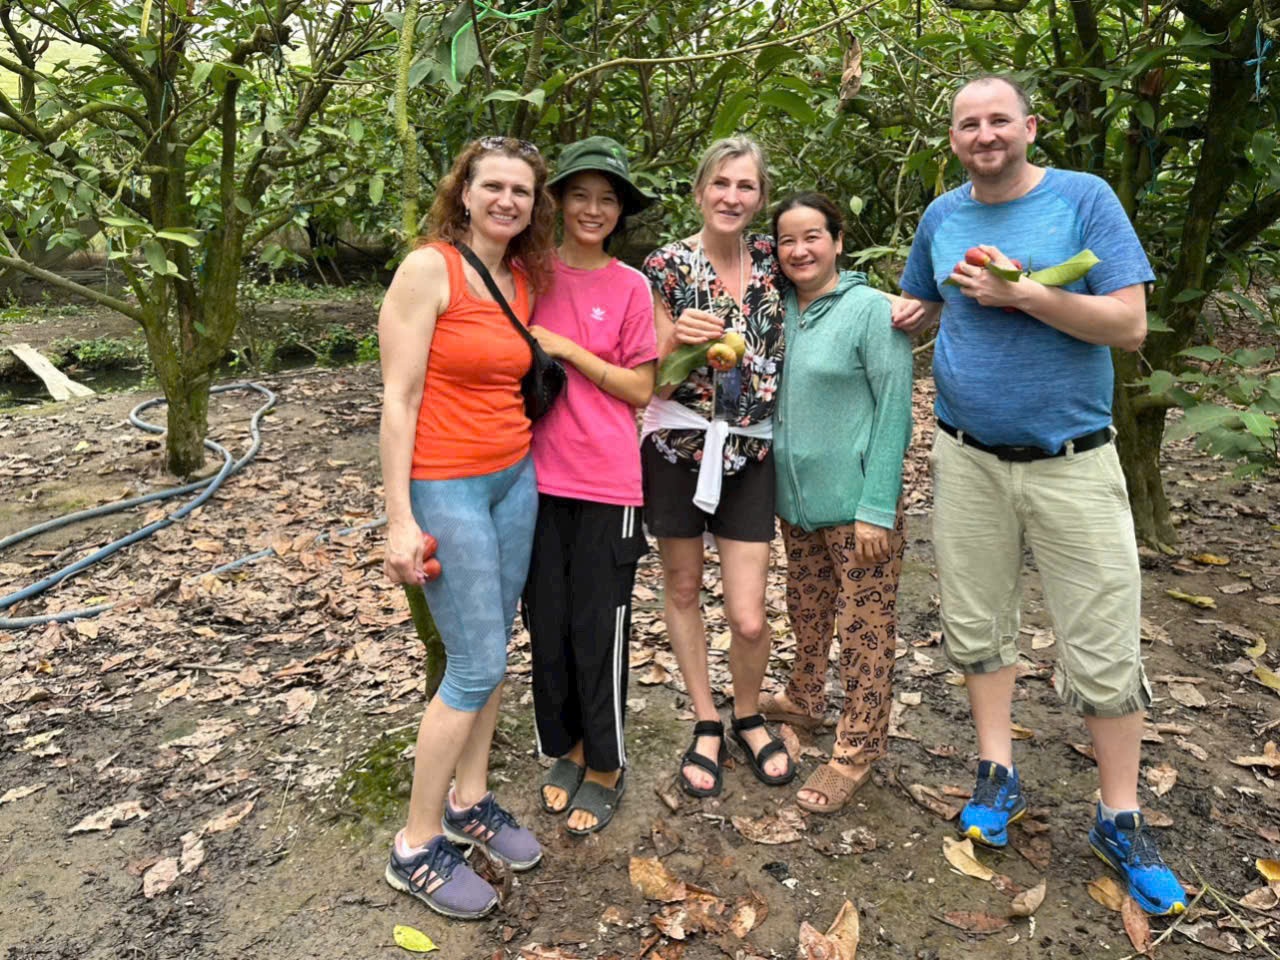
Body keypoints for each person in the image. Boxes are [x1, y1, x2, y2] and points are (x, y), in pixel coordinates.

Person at [896, 74, 1186, 915]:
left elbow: (1129, 324)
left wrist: (1025, 292)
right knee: (978, 621)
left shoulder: (1084, 199)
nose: (983, 135)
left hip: (1073, 458)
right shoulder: (943, 215)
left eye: (997, 120)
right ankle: (998, 771)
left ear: (1028, 125)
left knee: (1102, 637)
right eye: (966, 124)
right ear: (952, 139)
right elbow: (920, 300)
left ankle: (1120, 814)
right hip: (967, 456)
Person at [377, 136, 556, 920]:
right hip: (443, 482)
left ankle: (469, 798)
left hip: (513, 477)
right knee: (475, 663)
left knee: (494, 646)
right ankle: (415, 845)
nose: (507, 201)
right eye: (494, 187)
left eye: (521, 190)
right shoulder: (429, 268)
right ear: (465, 191)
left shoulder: (520, 277)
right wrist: (399, 519)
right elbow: (398, 400)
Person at [640, 136, 795, 797]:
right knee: (680, 591)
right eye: (721, 184)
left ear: (760, 198)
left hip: (749, 449)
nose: (733, 197)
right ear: (700, 190)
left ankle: (748, 712)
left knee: (749, 615)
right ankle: (706, 717)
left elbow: (828, 297)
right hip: (678, 446)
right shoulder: (666, 266)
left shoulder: (774, 261)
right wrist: (678, 337)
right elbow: (650, 371)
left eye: (747, 186)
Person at [521, 136, 658, 835]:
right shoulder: (527, 274)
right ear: (560, 202)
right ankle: (566, 747)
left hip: (606, 481)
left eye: (607, 200)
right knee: (546, 621)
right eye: (581, 196)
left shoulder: (631, 286)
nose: (593, 209)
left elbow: (641, 386)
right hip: (529, 478)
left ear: (620, 212)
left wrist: (572, 352)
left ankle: (606, 763)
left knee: (596, 626)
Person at [769, 193, 913, 814]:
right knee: (806, 610)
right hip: (795, 506)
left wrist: (877, 505)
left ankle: (857, 748)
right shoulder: (774, 312)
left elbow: (895, 410)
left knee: (864, 632)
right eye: (786, 241)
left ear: (837, 240)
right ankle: (805, 698)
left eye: (812, 237)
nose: (799, 251)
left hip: (859, 507)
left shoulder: (871, 311)